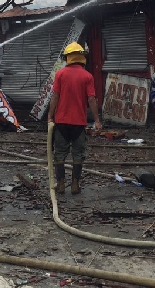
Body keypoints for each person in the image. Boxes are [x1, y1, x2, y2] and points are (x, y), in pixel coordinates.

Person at [47, 42, 102, 195]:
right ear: (81, 57)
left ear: (68, 57)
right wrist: (97, 120)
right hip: (79, 123)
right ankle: (75, 184)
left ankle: (60, 184)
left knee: (59, 153)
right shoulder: (87, 76)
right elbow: (91, 99)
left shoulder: (60, 74)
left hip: (61, 122)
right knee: (78, 154)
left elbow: (55, 96)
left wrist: (50, 115)